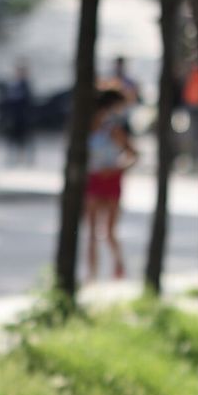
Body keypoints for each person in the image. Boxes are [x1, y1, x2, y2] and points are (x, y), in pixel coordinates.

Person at [85, 87, 139, 280]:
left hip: (112, 181)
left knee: (109, 231)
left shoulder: (114, 130)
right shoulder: (86, 129)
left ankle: (118, 265)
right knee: (91, 230)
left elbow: (133, 155)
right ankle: (91, 274)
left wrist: (117, 169)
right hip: (93, 179)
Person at [0, 61, 35, 166]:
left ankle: (27, 160)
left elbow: (29, 102)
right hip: (15, 118)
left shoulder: (25, 86)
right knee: (13, 140)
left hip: (23, 119)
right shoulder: (14, 86)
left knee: (25, 140)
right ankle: (13, 159)